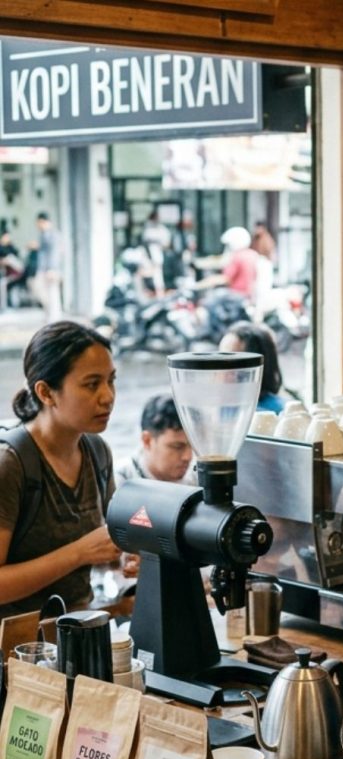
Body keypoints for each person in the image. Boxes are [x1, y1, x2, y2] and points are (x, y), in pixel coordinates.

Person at [0, 321, 123, 619]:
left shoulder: (97, 452)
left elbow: (104, 547)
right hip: (17, 642)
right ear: (46, 392)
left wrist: (119, 559)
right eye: (91, 384)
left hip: (79, 629)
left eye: (111, 380)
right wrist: (80, 552)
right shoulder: (11, 464)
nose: (107, 396)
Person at [114, 393, 195, 488]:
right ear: (147, 441)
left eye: (192, 446)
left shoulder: (197, 477)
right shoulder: (118, 483)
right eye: (177, 447)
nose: (188, 457)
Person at [219, 320, 285, 412]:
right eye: (220, 358)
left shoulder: (274, 412)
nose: (219, 368)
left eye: (230, 362)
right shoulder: (226, 406)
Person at [31, 211, 63, 322]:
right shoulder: (43, 235)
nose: (38, 225)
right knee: (41, 290)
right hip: (43, 268)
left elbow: (55, 253)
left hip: (50, 269)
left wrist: (52, 269)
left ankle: (54, 318)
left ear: (45, 222)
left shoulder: (53, 235)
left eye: (39, 222)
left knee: (52, 293)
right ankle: (50, 314)